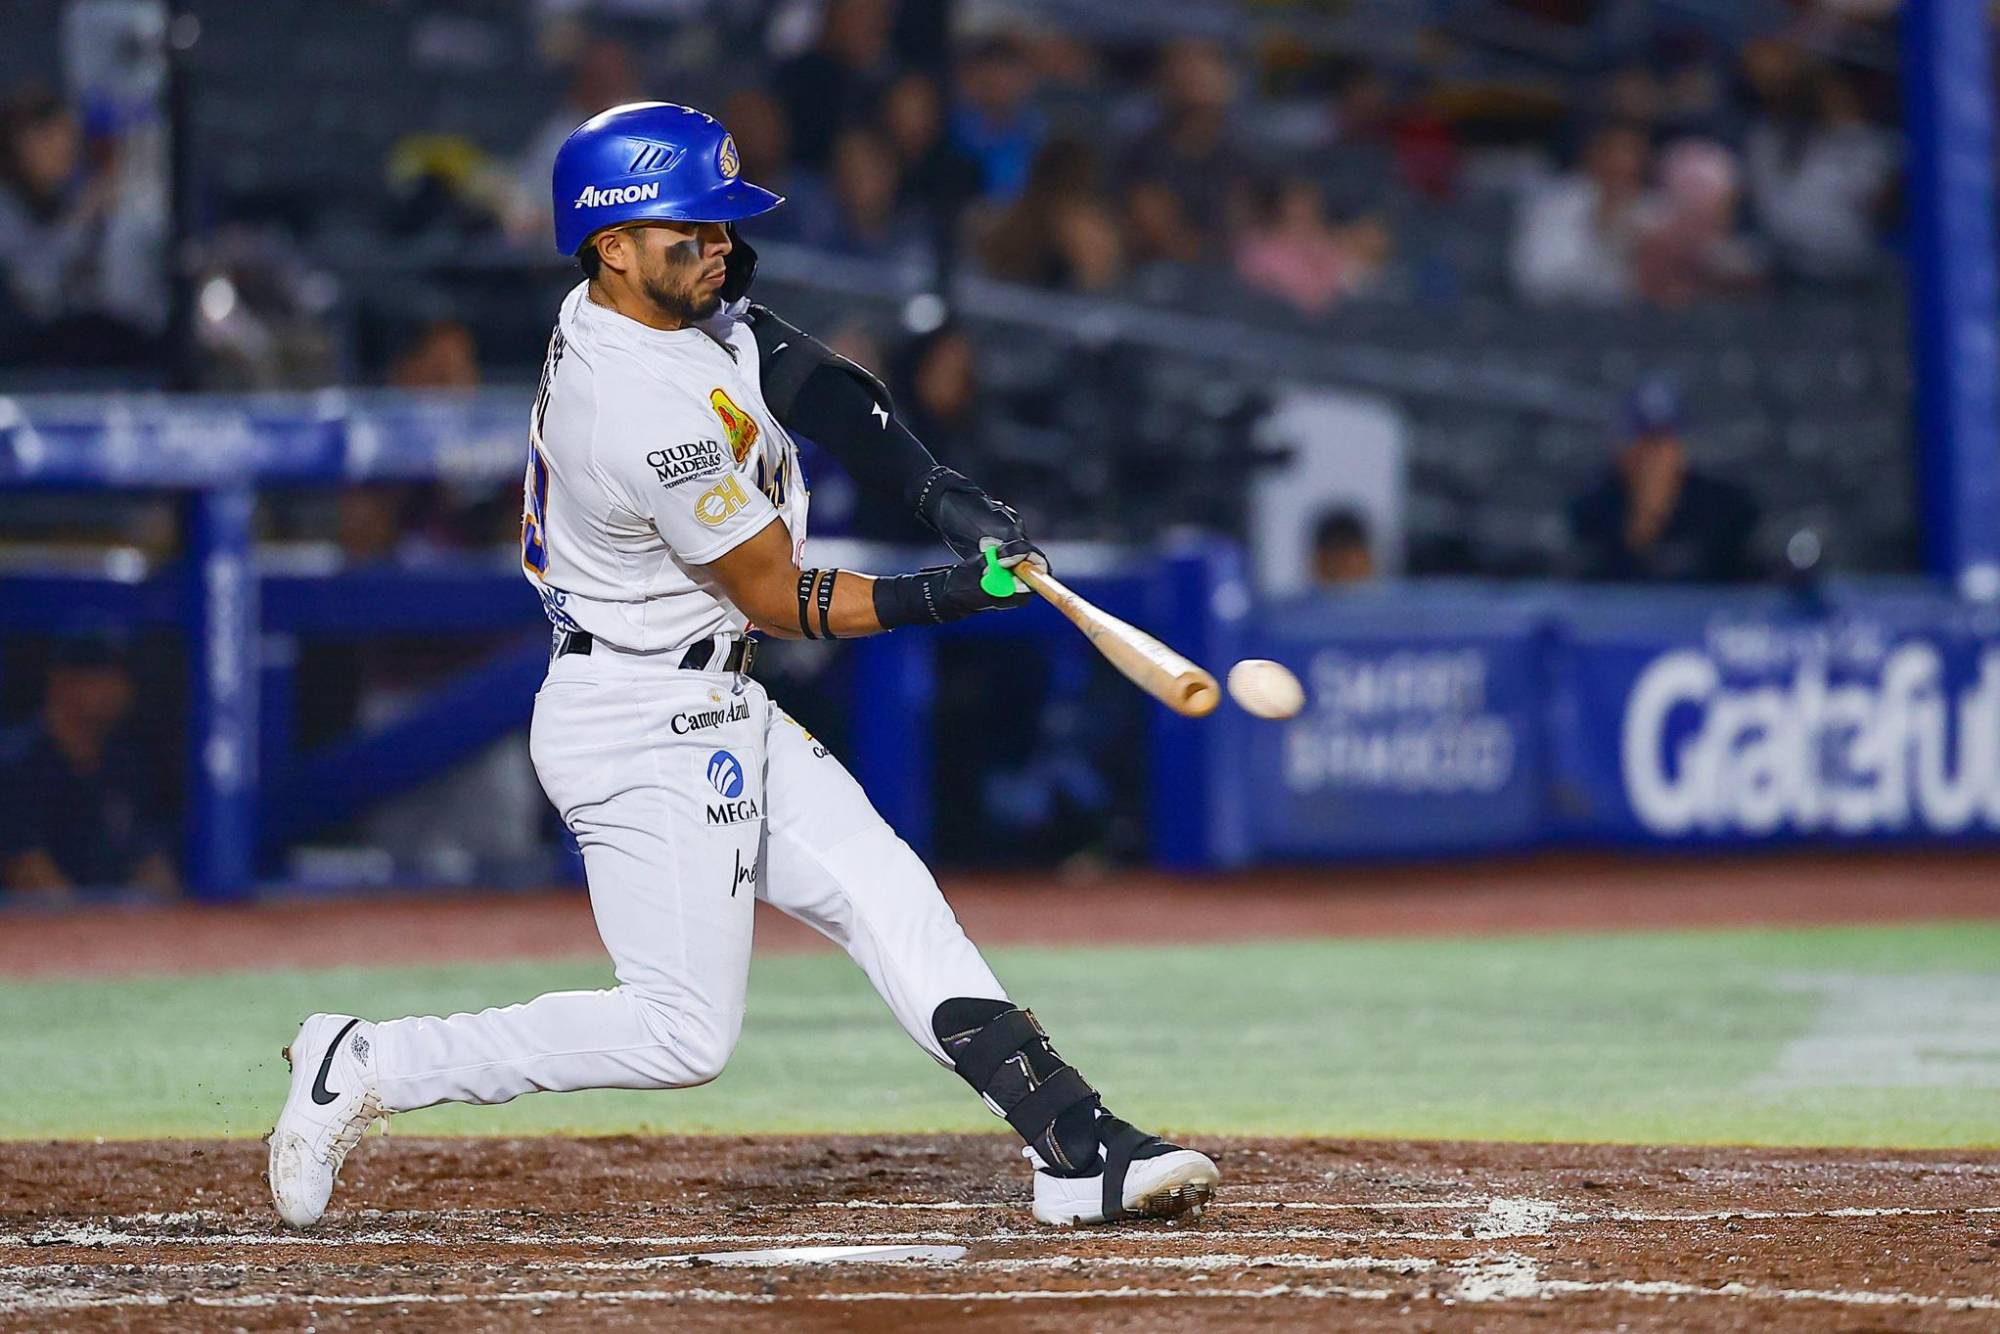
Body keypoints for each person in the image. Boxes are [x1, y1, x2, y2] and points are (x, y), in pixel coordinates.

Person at [267, 100, 1218, 1232]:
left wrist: (932, 492)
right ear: (610, 243)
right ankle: (370, 1059)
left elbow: (807, 374)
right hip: (636, 711)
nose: (719, 246)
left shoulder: (663, 306)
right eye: (692, 228)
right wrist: (954, 591)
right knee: (680, 1034)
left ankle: (1076, 1143)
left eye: (723, 225)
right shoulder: (628, 406)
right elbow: (777, 595)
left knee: (887, 894)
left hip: (710, 694)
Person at [0, 635, 178, 898]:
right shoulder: (16, 762)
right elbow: (26, 871)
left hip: (112, 924)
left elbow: (152, 864)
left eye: (120, 677)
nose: (118, 689)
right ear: (61, 682)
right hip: (34, 928)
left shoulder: (126, 761)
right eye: (100, 678)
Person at [1568, 375, 1761, 583]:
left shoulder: (1726, 507)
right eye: (1644, 442)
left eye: (1664, 443)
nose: (1653, 457)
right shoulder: (1593, 509)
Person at [1512, 122, 1651, 306]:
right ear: (1593, 156)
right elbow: (1536, 279)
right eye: (1612, 155)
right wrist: (1600, 229)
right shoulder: (1554, 205)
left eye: (1633, 156)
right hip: (1562, 319)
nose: (1623, 165)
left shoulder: (1654, 209)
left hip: (1636, 322)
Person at [1311, 508, 1376, 586]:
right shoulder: (1300, 597)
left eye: (1347, 560)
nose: (1341, 571)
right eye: (1333, 558)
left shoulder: (1389, 594)